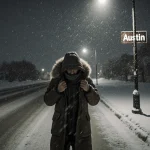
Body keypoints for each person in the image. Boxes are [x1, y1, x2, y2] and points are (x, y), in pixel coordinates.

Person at [44, 52, 100, 150]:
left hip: (81, 129)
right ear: (64, 69)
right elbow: (48, 101)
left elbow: (95, 101)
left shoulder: (86, 80)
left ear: (80, 68)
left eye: (75, 68)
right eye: (69, 69)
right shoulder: (56, 81)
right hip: (61, 130)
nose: (72, 71)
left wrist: (88, 89)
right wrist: (57, 91)